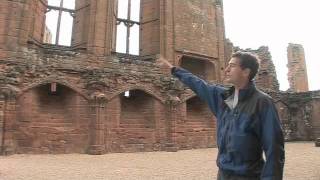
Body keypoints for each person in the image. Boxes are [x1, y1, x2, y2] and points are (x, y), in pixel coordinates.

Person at [157, 52, 285, 180]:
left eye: (232, 66)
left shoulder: (261, 102)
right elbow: (199, 84)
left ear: (246, 71)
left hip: (248, 176)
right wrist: (174, 70)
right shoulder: (226, 98)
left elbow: (274, 149)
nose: (227, 69)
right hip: (223, 175)